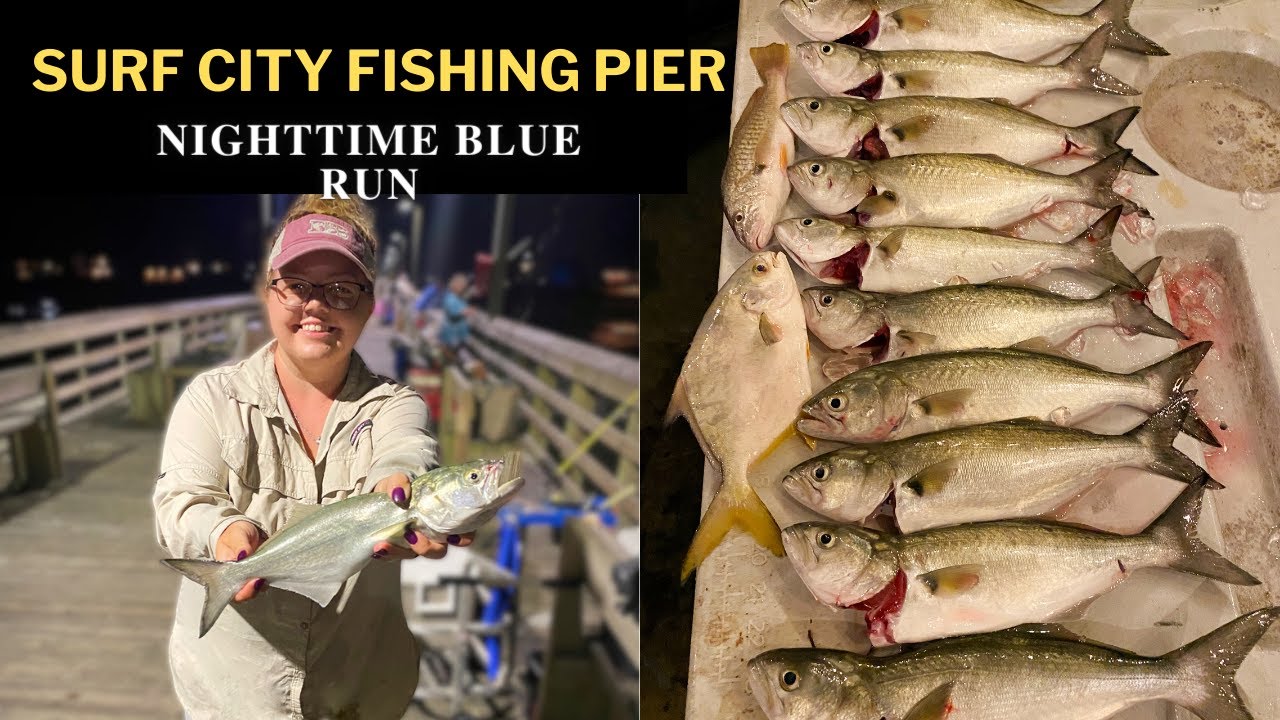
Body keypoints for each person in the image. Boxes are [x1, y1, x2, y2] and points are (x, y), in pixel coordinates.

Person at [152, 195, 473, 720]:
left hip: (357, 691)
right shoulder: (211, 398)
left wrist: (401, 485)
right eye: (297, 286)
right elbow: (182, 498)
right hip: (235, 693)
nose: (316, 305)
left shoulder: (396, 405)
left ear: (371, 305)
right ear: (269, 295)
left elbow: (406, 452)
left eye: (342, 290)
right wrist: (222, 533)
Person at [437, 272, 473, 361]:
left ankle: (463, 365)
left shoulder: (460, 298)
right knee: (460, 355)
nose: (463, 287)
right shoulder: (450, 298)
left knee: (460, 354)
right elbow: (453, 312)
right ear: (454, 285)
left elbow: (464, 307)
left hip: (460, 334)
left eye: (464, 285)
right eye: (460, 285)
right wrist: (465, 312)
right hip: (452, 334)